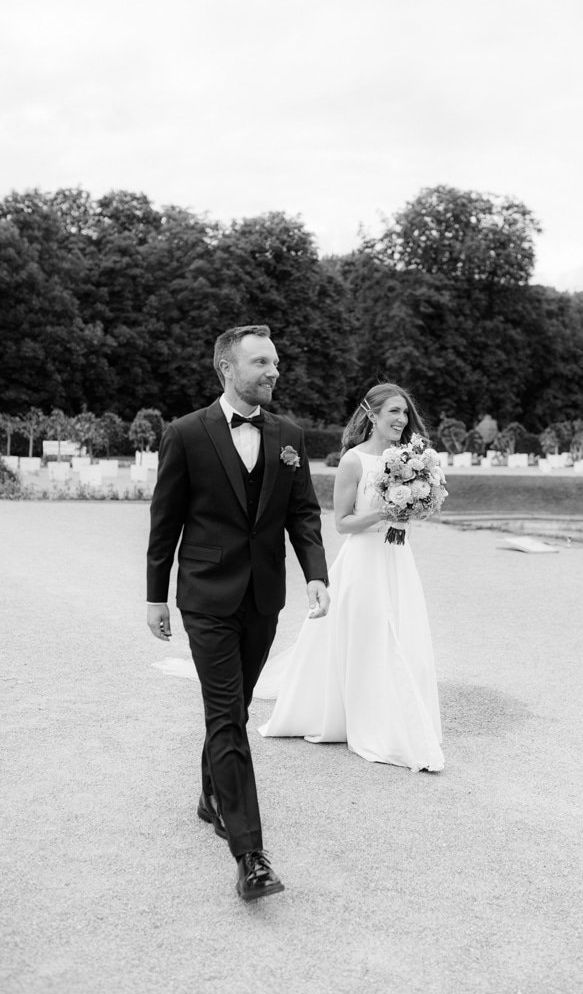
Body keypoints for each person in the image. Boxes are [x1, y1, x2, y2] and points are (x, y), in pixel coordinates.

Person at [146, 324, 330, 901]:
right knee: (227, 715)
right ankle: (250, 855)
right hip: (205, 597)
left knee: (236, 707)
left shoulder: (288, 434)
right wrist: (155, 595)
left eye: (275, 362)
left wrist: (316, 573)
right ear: (228, 369)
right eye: (261, 363)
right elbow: (165, 521)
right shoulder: (186, 433)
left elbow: (302, 513)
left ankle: (212, 797)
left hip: (263, 596)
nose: (274, 371)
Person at [256, 382, 444, 773]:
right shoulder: (354, 461)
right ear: (372, 415)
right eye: (393, 411)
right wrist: (384, 512)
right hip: (363, 562)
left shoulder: (411, 459)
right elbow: (342, 523)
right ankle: (362, 717)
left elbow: (414, 511)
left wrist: (416, 505)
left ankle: (400, 714)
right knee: (371, 636)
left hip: (398, 559)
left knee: (404, 634)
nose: (401, 419)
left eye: (405, 412)